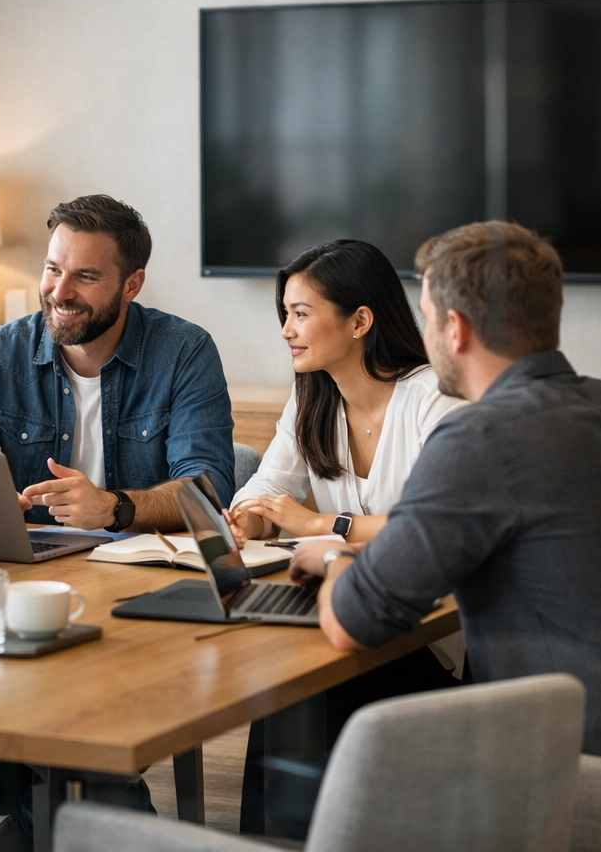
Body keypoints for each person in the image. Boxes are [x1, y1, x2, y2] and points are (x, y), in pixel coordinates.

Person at [288, 221, 601, 771]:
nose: (421, 337)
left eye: (425, 318)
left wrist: (332, 553)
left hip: (573, 764)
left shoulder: (479, 437)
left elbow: (352, 622)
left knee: (326, 701)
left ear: (457, 329)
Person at [0, 194, 236, 852]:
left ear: (133, 284)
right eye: (52, 269)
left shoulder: (183, 351)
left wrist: (114, 507)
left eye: (85, 277)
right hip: (26, 581)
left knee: (77, 720)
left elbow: (210, 487)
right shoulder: (0, 352)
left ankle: (49, 829)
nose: (58, 292)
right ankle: (68, 825)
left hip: (140, 596)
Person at [222, 239, 466, 837]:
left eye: (300, 313)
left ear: (360, 320)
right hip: (348, 609)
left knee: (297, 682)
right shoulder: (312, 398)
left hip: (425, 635)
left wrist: (314, 524)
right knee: (281, 671)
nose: (286, 330)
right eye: (284, 313)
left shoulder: (435, 400)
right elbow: (262, 489)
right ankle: (271, 836)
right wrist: (246, 518)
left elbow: (429, 530)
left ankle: (298, 829)